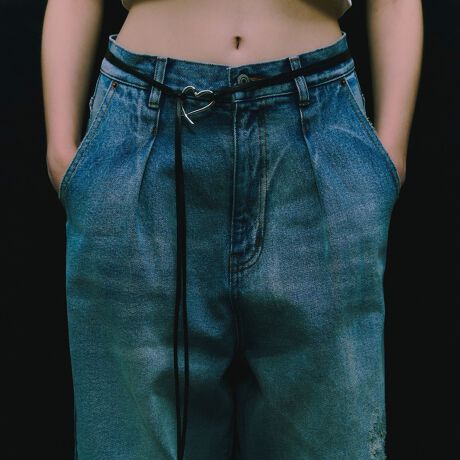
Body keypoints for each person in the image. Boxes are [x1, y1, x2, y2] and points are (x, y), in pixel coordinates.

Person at [42, 1, 423, 459]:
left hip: (316, 124)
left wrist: (388, 157)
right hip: (145, 123)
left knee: (332, 439)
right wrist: (61, 151)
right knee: (132, 441)